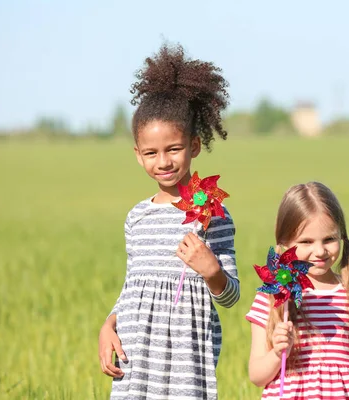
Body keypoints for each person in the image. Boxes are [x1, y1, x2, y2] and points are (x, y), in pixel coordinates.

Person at [98, 43, 239, 400]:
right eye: (150, 153)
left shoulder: (213, 217)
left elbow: (231, 296)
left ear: (193, 145)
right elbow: (133, 287)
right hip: (136, 356)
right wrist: (109, 323)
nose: (163, 161)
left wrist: (211, 271)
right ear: (137, 154)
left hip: (186, 364)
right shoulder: (138, 217)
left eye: (173, 149)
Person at [246, 182, 349, 399]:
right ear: (284, 244)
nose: (319, 251)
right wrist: (277, 353)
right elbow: (256, 375)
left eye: (329, 239)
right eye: (306, 241)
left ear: (342, 237)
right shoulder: (272, 296)